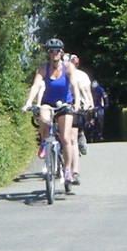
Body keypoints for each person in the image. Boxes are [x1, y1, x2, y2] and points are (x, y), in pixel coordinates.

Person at [21, 38, 81, 183]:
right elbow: (36, 86)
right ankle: (44, 141)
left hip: (65, 103)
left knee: (66, 139)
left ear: (61, 52)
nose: (54, 53)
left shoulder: (68, 67)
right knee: (44, 118)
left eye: (57, 51)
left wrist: (77, 102)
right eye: (51, 51)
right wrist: (29, 102)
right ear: (48, 53)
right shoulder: (43, 68)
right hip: (48, 102)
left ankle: (67, 170)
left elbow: (74, 85)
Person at [68, 54, 94, 185]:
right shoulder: (56, 73)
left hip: (76, 106)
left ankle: (74, 171)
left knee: (72, 137)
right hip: (61, 106)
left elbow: (86, 91)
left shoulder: (81, 76)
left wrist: (90, 102)